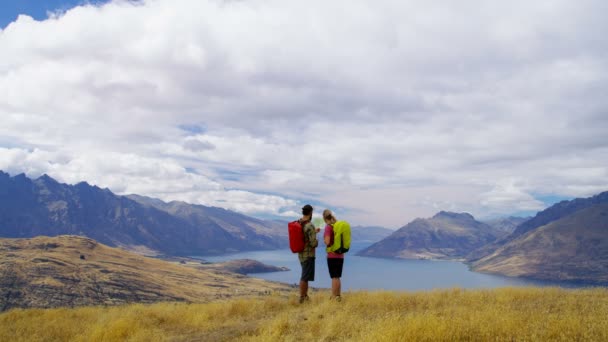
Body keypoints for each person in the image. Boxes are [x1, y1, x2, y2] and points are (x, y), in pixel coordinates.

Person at [298, 204, 319, 304]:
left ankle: (305, 296)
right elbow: (313, 243)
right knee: (305, 277)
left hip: (301, 254)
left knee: (305, 276)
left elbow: (304, 236)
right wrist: (316, 239)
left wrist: (314, 232)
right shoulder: (310, 225)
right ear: (310, 213)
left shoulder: (299, 222)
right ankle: (302, 297)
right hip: (308, 255)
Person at [323, 209, 344, 302]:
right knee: (338, 276)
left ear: (324, 218)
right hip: (340, 255)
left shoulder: (328, 227)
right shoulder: (337, 226)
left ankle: (333, 297)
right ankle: (338, 296)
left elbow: (327, 242)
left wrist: (324, 241)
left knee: (334, 277)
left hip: (332, 256)